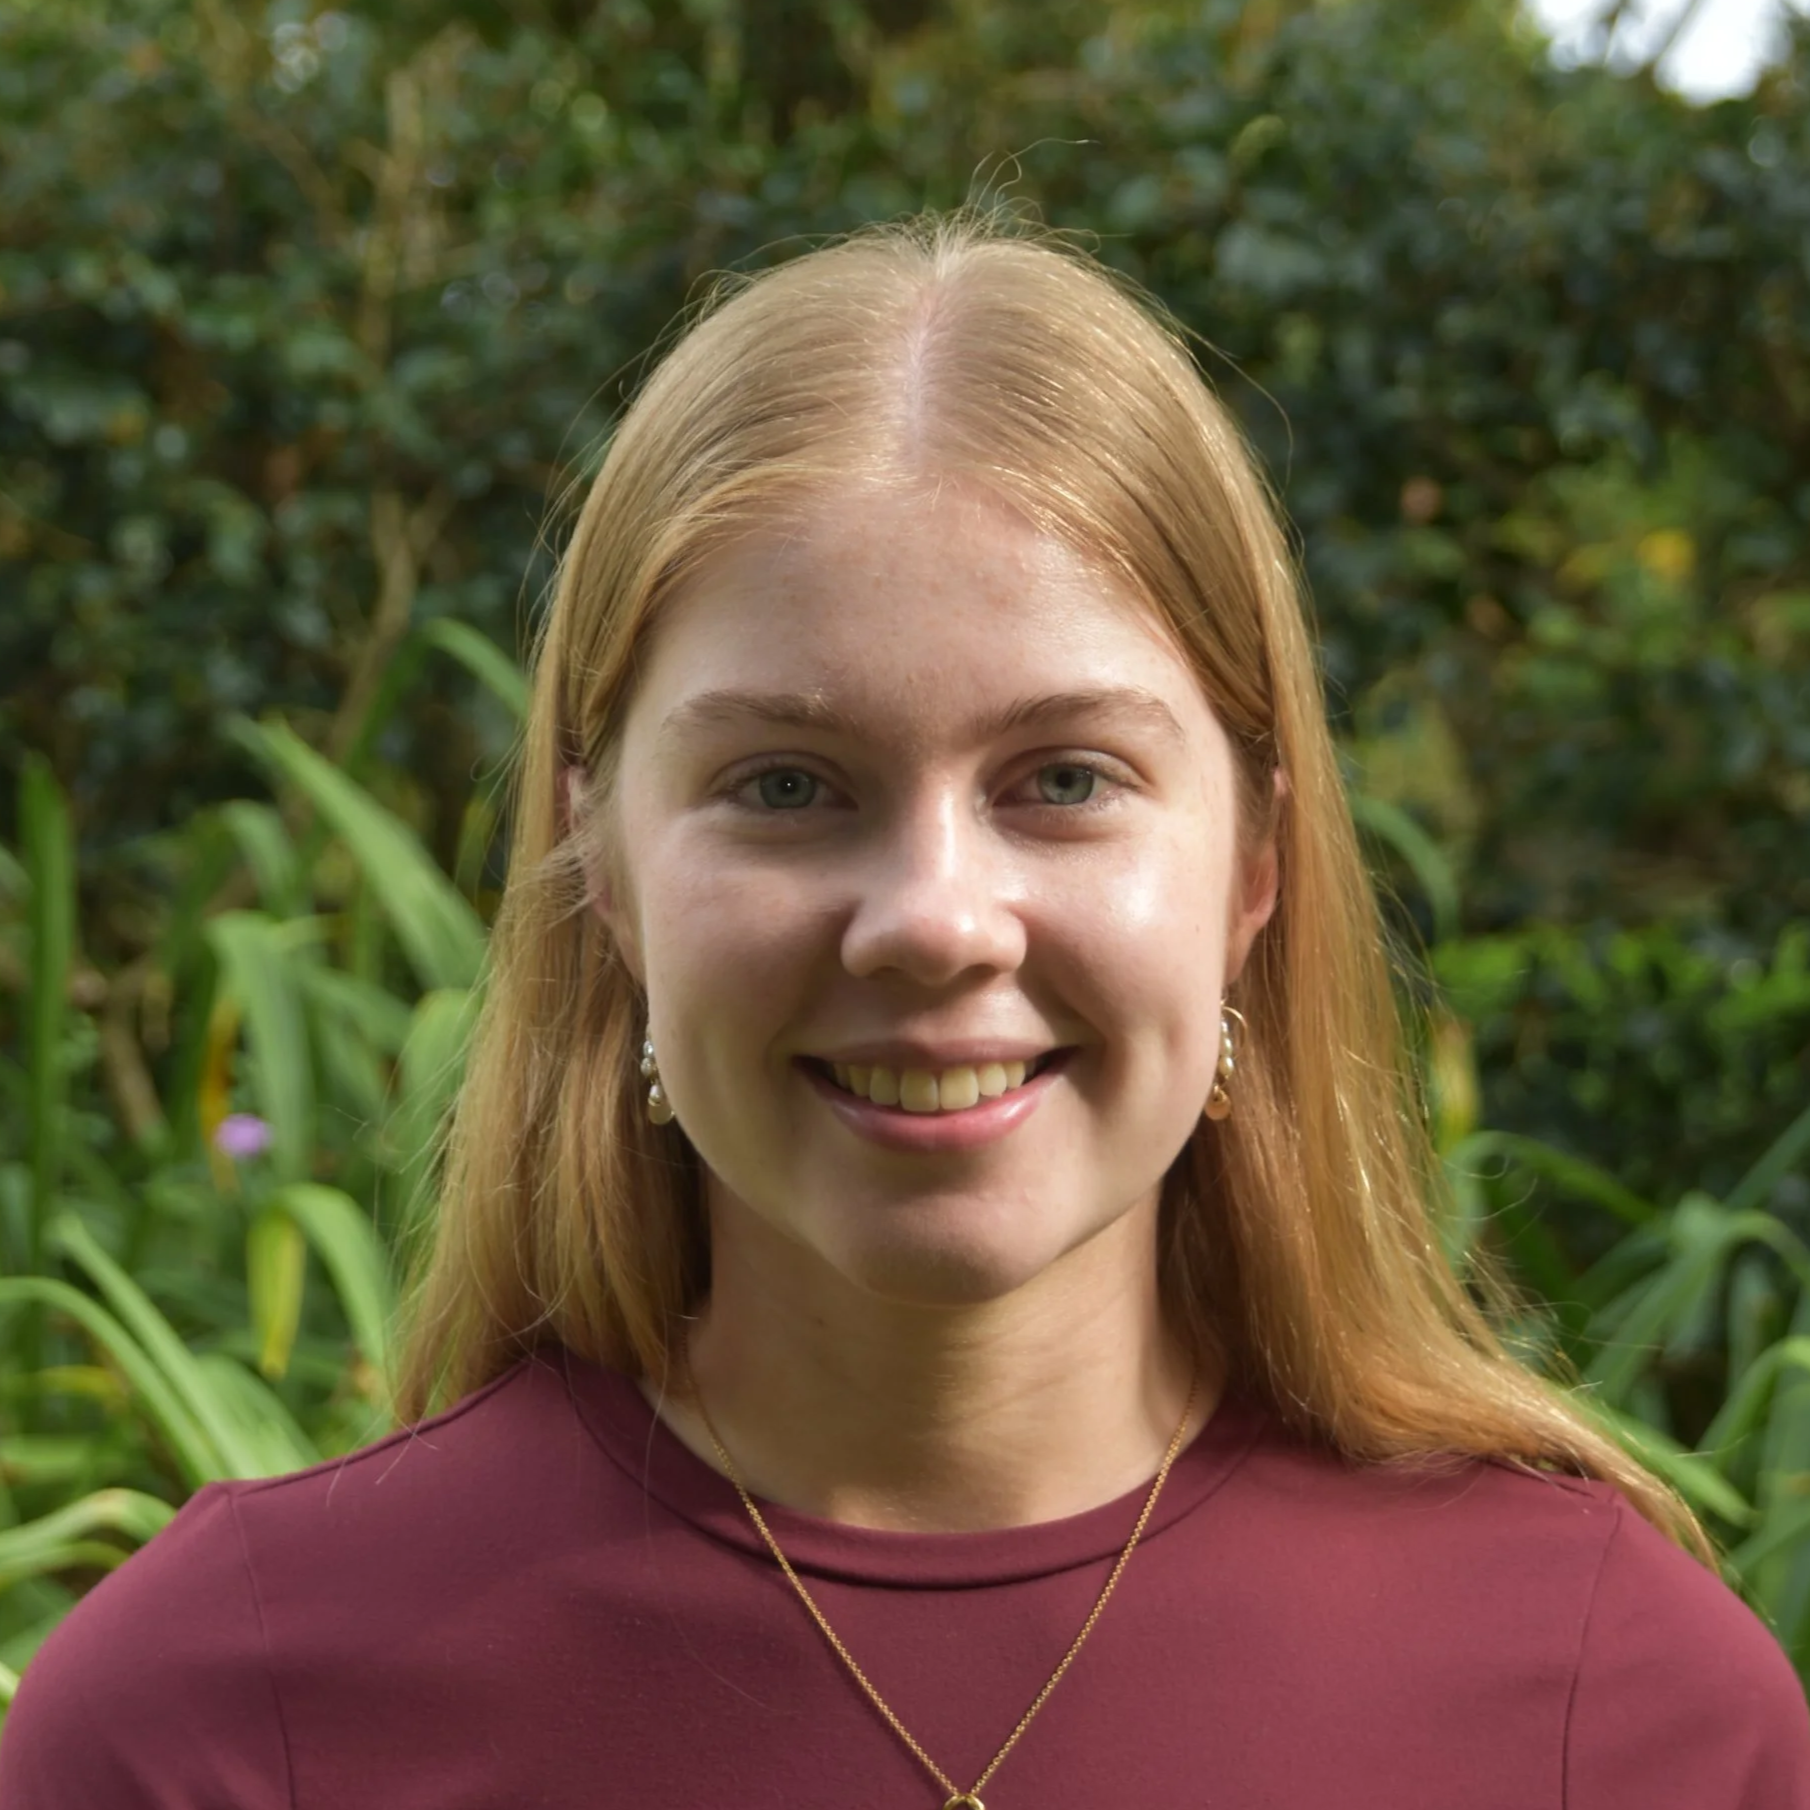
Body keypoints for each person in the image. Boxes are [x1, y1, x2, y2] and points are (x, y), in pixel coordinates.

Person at [3, 211, 1807, 1809]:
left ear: (1255, 859)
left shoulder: (1615, 1713)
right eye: (786, 785)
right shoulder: (221, 1722)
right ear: (601, 862)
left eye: (1066, 778)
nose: (935, 920)